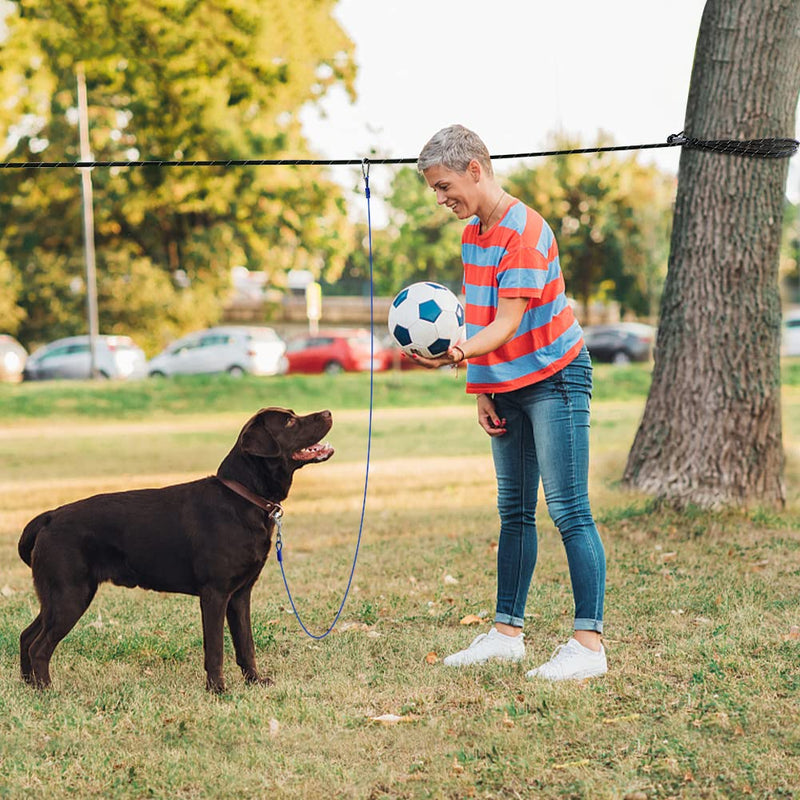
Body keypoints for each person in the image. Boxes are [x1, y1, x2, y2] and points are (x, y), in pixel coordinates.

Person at [414, 124, 607, 681]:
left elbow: (507, 321)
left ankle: (589, 645)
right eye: (434, 189)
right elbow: (479, 314)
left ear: (475, 169)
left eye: (445, 185)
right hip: (507, 384)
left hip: (556, 378)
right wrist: (481, 385)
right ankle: (506, 635)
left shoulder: (524, 232)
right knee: (514, 510)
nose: (442, 197)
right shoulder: (474, 233)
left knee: (569, 509)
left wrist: (457, 354)